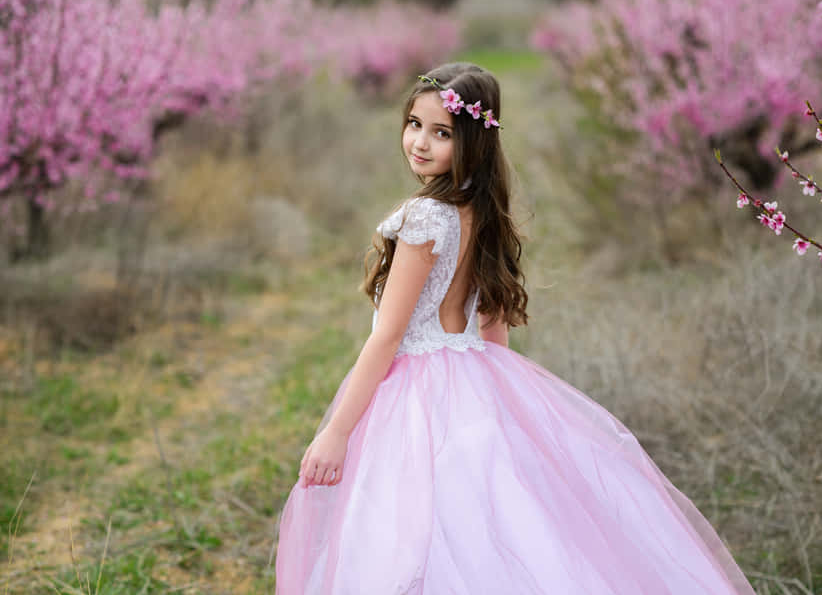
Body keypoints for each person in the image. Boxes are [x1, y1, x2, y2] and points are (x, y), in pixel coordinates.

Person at [274, 62, 757, 595]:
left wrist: (337, 431)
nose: (419, 143)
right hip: (473, 381)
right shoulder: (483, 210)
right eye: (414, 124)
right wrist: (504, 401)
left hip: (415, 391)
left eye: (442, 133)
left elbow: (388, 336)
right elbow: (493, 326)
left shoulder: (424, 217)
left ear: (474, 141)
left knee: (409, 530)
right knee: (488, 521)